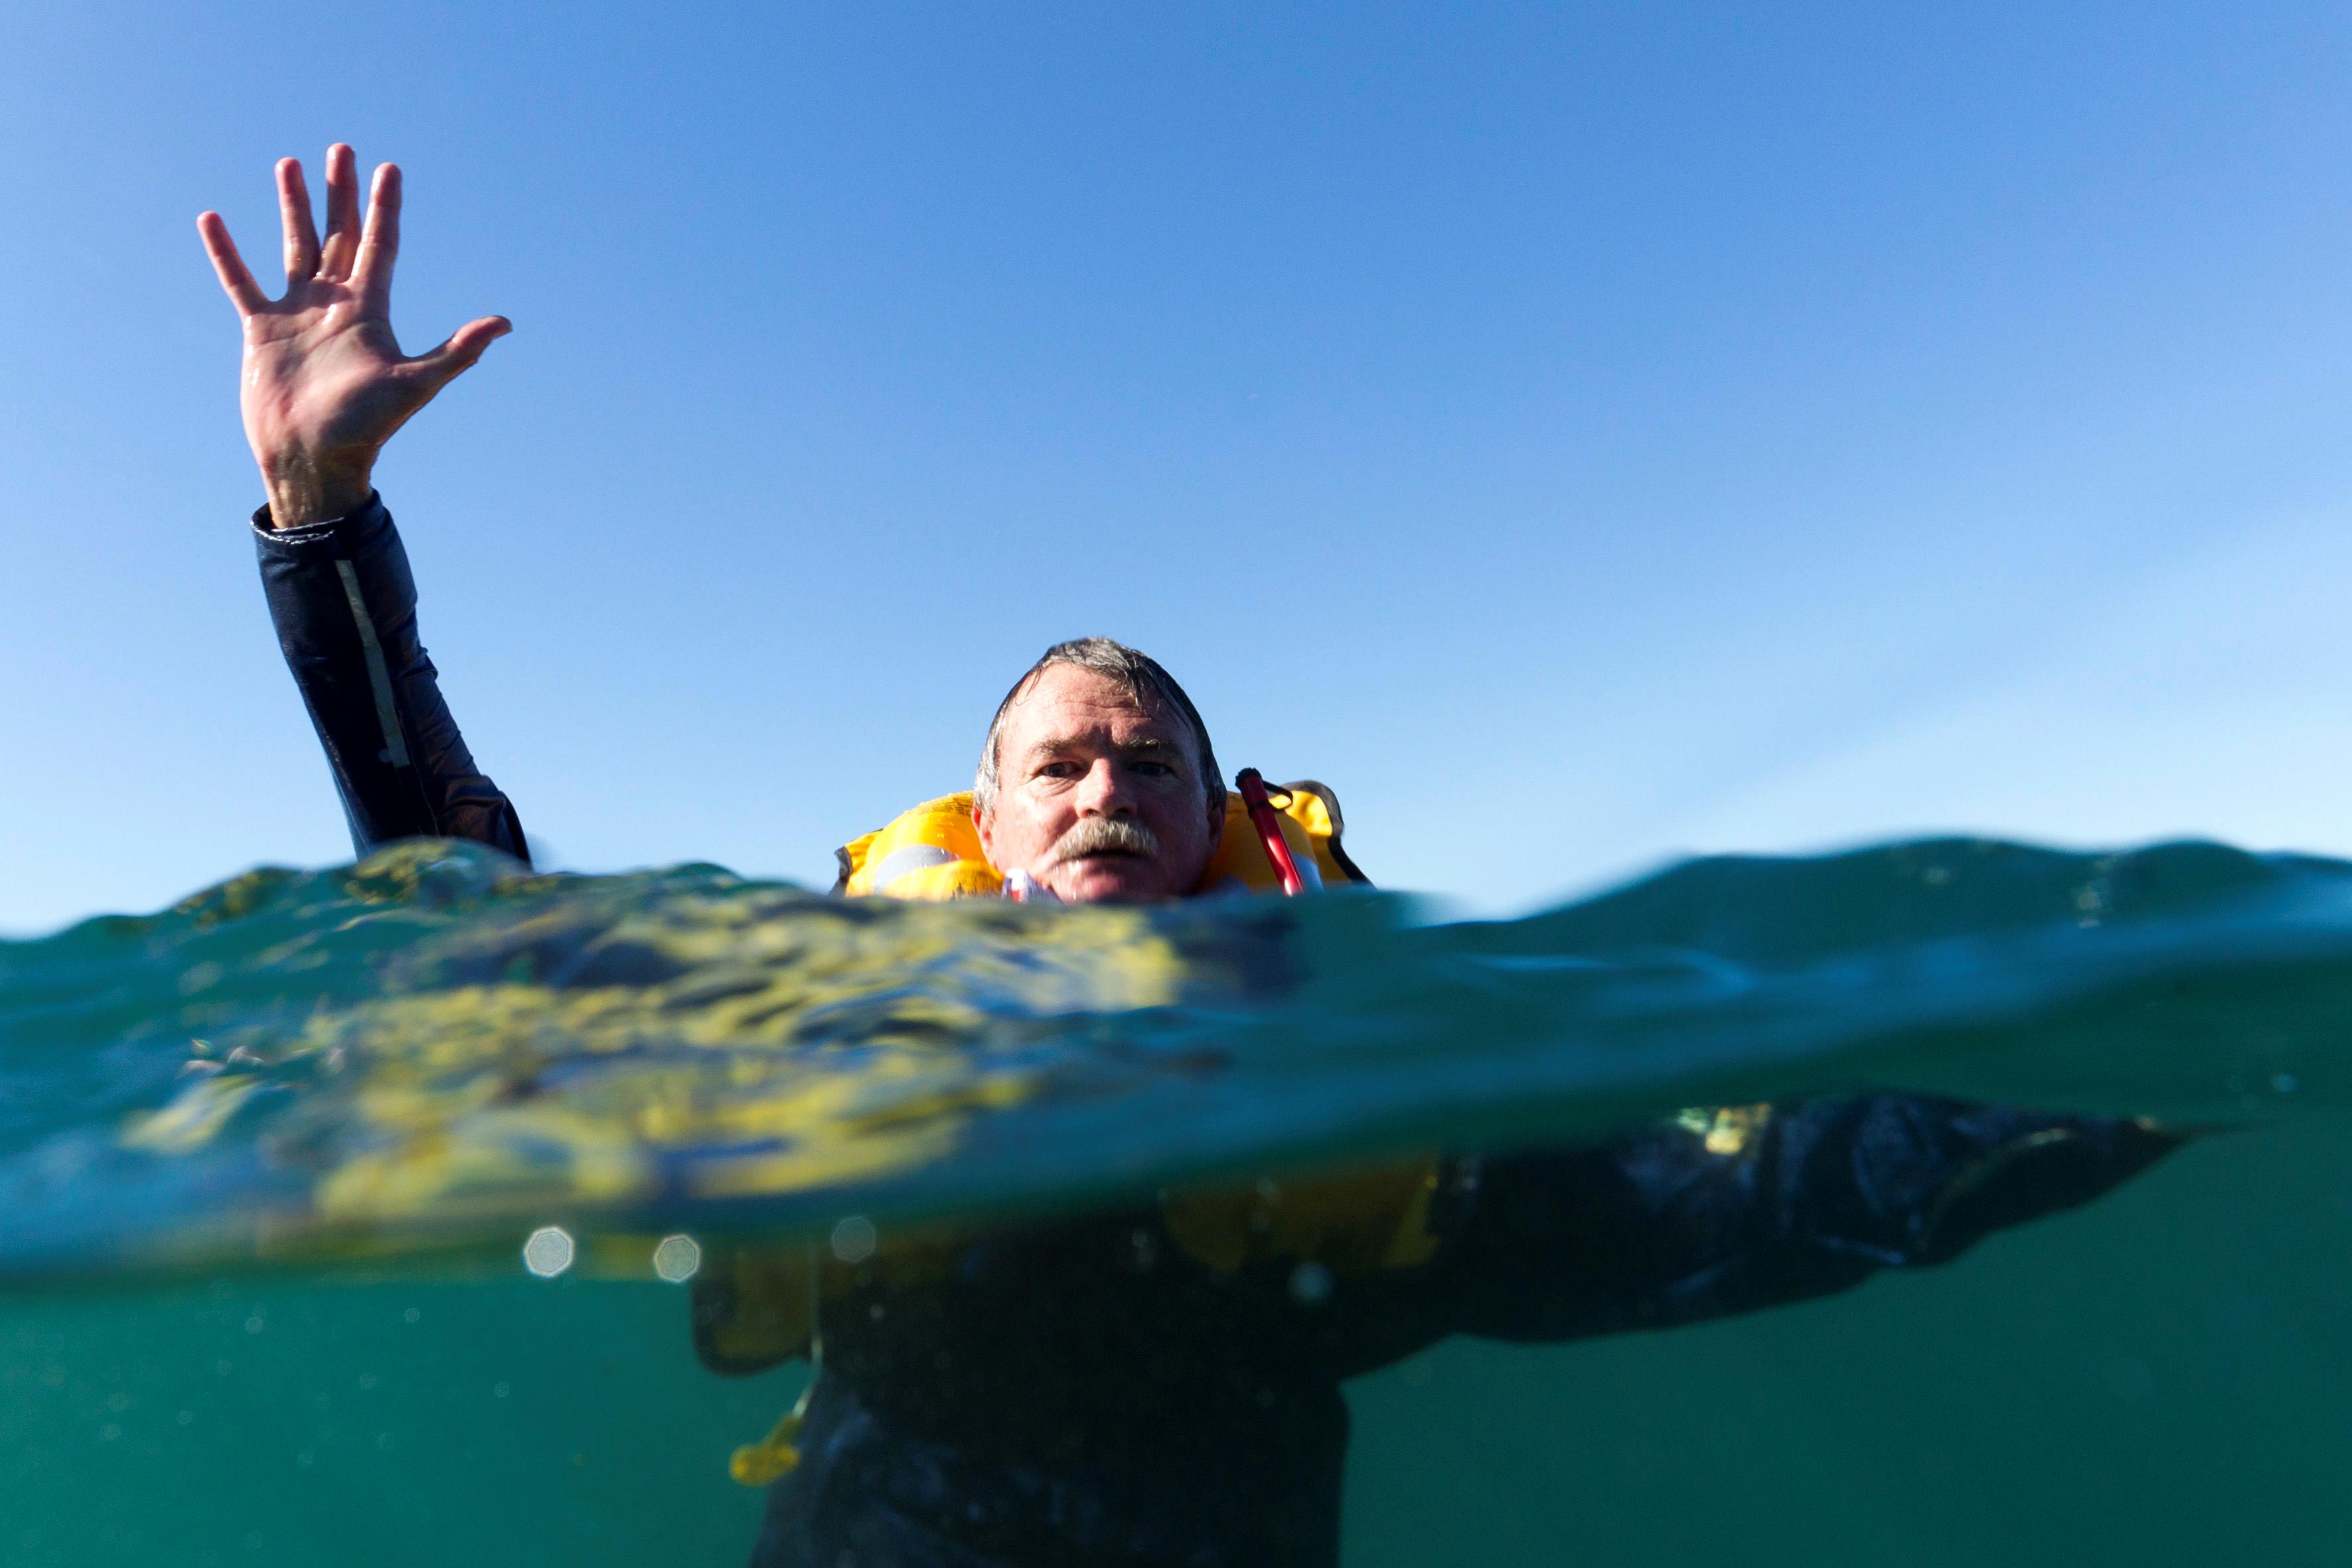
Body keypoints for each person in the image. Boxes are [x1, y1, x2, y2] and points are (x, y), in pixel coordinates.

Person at [199, 148, 2183, 1568]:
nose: (1104, 787)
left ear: (1226, 822)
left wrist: (2163, 1065)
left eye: (1151, 761)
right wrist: (320, 522)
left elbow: (1777, 1195)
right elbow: (482, 932)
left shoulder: (1376, 1131)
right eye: (1058, 761)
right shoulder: (836, 1048)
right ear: (981, 828)